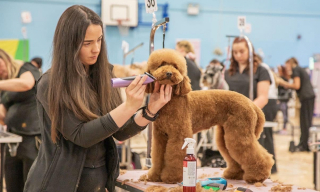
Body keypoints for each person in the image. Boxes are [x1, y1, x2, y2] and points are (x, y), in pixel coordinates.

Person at [24, 5, 172, 192]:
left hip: (98, 183)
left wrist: (150, 109)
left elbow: (119, 130)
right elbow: (82, 136)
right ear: (69, 44)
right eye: (87, 43)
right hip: (59, 184)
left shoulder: (102, 74)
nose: (96, 49)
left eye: (99, 40)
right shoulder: (50, 83)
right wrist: (127, 107)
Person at [224, 37, 277, 173]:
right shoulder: (228, 71)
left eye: (242, 51)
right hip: (232, 119)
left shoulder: (261, 70)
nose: (238, 55)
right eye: (235, 53)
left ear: (250, 50)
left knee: (256, 154)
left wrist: (246, 113)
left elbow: (263, 97)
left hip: (253, 116)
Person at [0, 48, 41, 192]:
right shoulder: (6, 85)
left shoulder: (25, 68)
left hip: (33, 137)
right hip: (12, 139)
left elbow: (26, 84)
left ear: (5, 58)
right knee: (12, 185)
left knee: (31, 185)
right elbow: (3, 112)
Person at [278, 57, 315, 152]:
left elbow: (296, 85)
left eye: (287, 65)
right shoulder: (299, 69)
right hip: (308, 97)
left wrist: (283, 83)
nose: (286, 68)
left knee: (305, 122)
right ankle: (304, 143)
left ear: (290, 63)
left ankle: (304, 145)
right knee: (306, 122)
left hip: (306, 97)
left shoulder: (296, 69)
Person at [277, 65, 292, 134]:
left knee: (284, 115)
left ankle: (284, 128)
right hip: (283, 99)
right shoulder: (286, 78)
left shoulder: (282, 79)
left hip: (282, 99)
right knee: (284, 114)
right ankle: (284, 128)